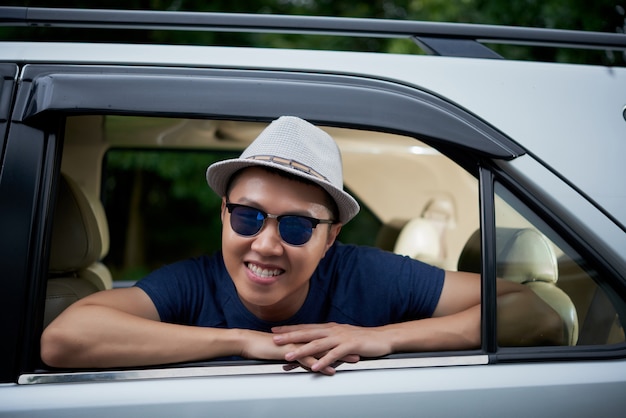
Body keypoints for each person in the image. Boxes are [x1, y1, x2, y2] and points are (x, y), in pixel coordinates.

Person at [41, 116, 564, 376]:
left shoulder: (368, 275)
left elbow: (536, 314)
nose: (265, 244)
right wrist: (244, 343)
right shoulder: (192, 283)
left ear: (331, 237)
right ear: (224, 215)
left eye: (295, 227)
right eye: (247, 217)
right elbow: (64, 340)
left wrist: (383, 338)